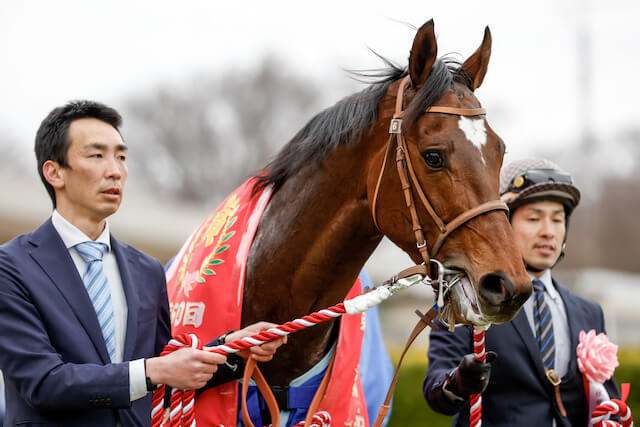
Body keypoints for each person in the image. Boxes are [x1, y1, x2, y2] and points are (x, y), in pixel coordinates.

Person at [0, 100, 285, 426]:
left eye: (121, 157)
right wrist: (154, 370)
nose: (115, 170)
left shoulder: (147, 270)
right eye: (96, 155)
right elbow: (42, 382)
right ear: (54, 172)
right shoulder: (11, 267)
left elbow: (164, 373)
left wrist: (233, 350)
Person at [423, 157, 620, 426]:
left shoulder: (590, 312)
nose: (548, 232)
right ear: (504, 225)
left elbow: (607, 402)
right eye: (534, 218)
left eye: (557, 219)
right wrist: (457, 381)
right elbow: (436, 391)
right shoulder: (466, 300)